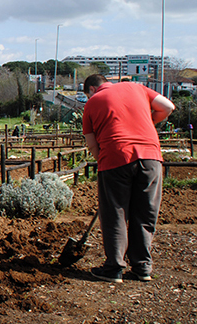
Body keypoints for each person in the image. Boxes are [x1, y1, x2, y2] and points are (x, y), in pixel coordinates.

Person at [82, 74, 175, 283]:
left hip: (116, 156)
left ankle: (114, 268)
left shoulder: (92, 103)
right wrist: (146, 122)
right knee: (145, 211)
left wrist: (105, 161)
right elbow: (168, 107)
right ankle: (143, 267)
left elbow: (91, 143)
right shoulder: (137, 88)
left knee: (115, 212)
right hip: (151, 158)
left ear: (91, 90)